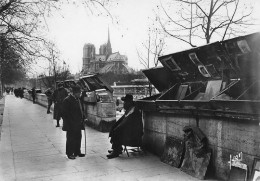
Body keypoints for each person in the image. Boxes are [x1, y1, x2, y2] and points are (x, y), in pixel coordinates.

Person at [107, 94, 143, 159]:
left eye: (125, 102)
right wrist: (114, 126)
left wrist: (117, 128)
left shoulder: (134, 110)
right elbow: (122, 120)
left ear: (129, 102)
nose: (124, 104)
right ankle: (118, 148)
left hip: (135, 134)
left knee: (117, 131)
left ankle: (116, 151)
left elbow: (126, 122)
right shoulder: (130, 109)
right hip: (131, 130)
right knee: (115, 128)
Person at [62, 85, 85, 159]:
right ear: (75, 93)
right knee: (71, 138)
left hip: (78, 123)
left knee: (78, 137)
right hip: (71, 123)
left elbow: (81, 110)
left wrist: (83, 117)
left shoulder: (77, 99)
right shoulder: (67, 100)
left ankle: (77, 151)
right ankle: (69, 153)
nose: (80, 94)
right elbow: (64, 113)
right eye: (79, 93)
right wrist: (69, 123)